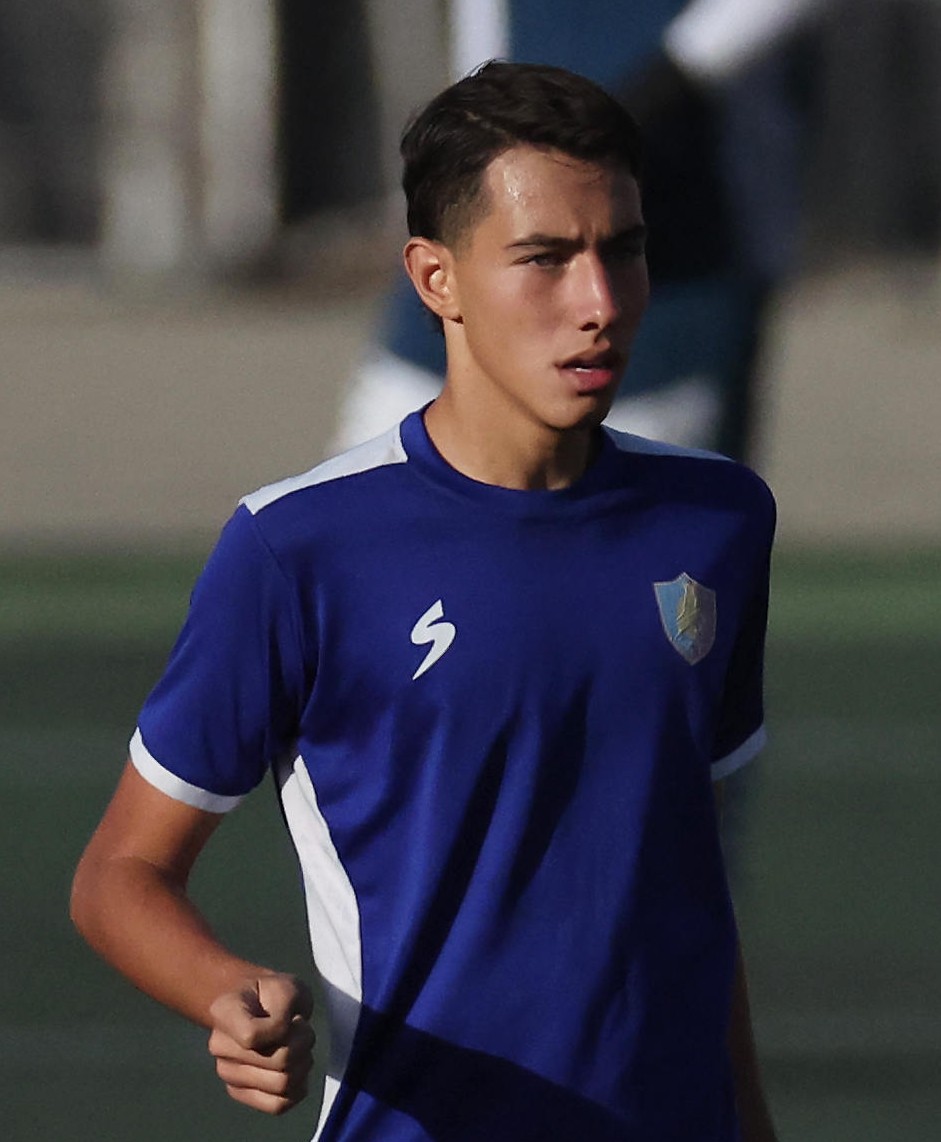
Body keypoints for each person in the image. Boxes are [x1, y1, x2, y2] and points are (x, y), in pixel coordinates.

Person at [72, 61, 778, 1141]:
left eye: (623, 250)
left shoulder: (717, 520)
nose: (598, 303)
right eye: (544, 258)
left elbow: (687, 885)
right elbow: (121, 872)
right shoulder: (298, 548)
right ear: (435, 278)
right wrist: (222, 991)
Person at [332, 0, 829, 461]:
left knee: (625, 508)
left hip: (679, 261)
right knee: (368, 492)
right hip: (494, 234)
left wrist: (674, 77)